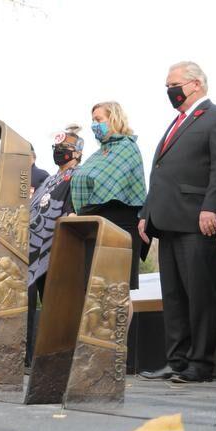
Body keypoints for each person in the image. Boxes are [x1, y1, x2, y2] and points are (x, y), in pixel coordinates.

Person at [137, 61, 216, 383]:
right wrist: (146, 214)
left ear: (195, 84)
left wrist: (212, 207)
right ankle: (176, 360)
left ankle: (201, 363)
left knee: (200, 296)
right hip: (166, 221)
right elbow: (161, 172)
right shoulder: (176, 123)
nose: (169, 90)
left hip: (197, 221)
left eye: (173, 84)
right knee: (175, 297)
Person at [72, 101, 147, 295]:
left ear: (113, 119)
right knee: (97, 292)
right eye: (93, 120)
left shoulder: (126, 146)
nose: (94, 125)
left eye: (99, 119)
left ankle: (126, 327)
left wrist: (81, 213)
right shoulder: (98, 153)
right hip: (97, 224)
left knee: (118, 293)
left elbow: (107, 183)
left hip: (121, 227)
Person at [25, 129, 82, 366]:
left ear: (77, 152)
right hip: (34, 249)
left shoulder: (77, 175)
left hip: (56, 248)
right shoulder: (48, 179)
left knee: (55, 304)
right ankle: (32, 357)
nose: (59, 153)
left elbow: (71, 211)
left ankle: (60, 356)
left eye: (65, 149)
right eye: (56, 149)